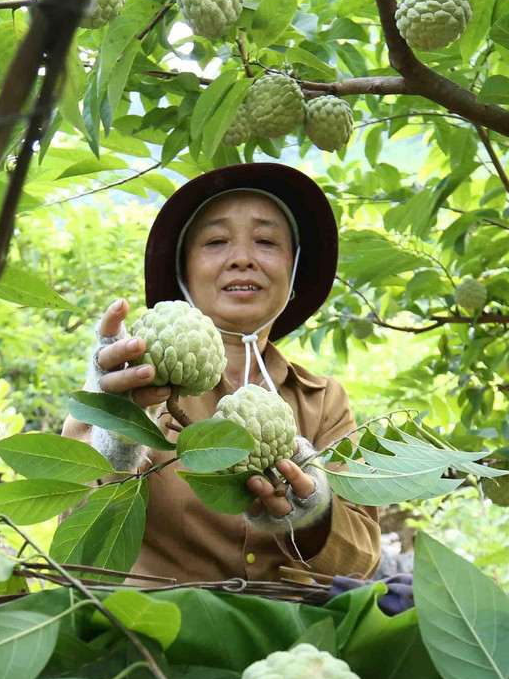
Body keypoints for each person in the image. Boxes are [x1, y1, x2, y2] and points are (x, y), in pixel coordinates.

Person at [62, 163, 380, 585]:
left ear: (293, 274)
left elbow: (361, 559)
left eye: (266, 241)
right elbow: (80, 537)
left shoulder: (322, 401)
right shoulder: (135, 380)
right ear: (184, 272)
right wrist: (116, 427)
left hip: (291, 638)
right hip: (151, 632)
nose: (243, 260)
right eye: (216, 241)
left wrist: (312, 508)